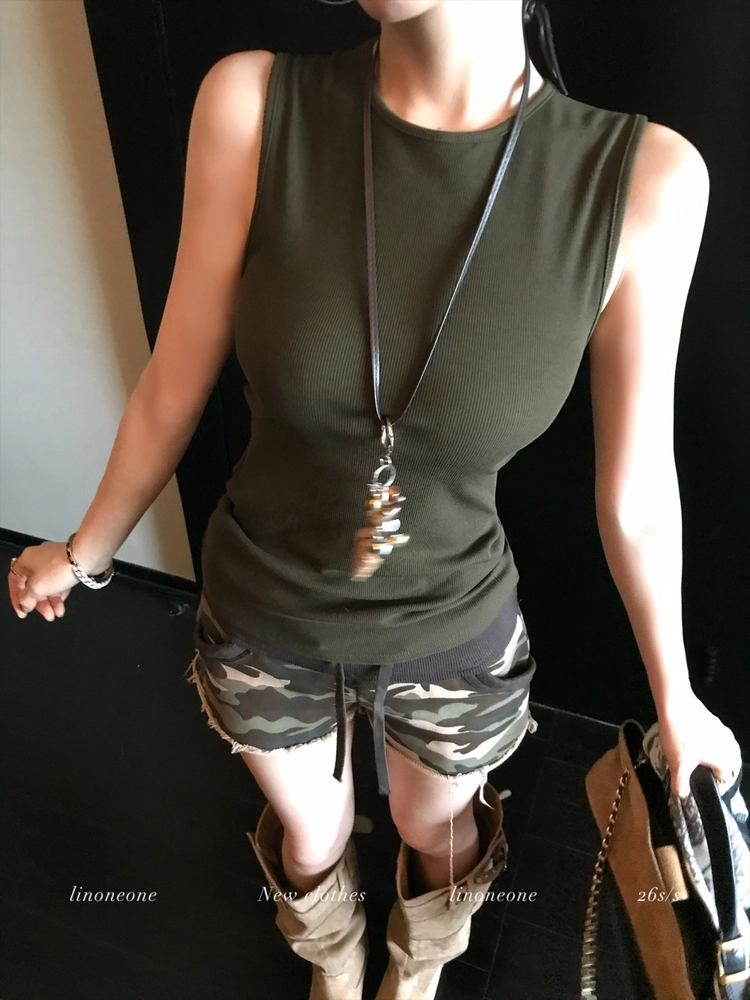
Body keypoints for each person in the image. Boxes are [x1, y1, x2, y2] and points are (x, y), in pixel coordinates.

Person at [8, 2, 742, 999]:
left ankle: (418, 963)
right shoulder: (252, 106)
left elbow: (639, 485)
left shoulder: (645, 182)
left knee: (433, 826)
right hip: (264, 609)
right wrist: (82, 552)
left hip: (455, 624)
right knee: (311, 831)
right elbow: (172, 383)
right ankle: (335, 961)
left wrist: (676, 695)